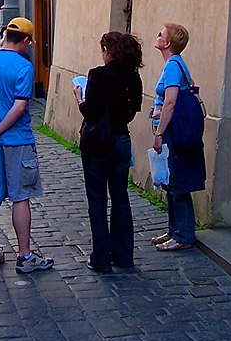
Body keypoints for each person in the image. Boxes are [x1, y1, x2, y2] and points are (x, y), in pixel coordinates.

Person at [0, 17, 54, 274]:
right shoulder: (24, 66)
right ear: (26, 41)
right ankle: (25, 255)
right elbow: (20, 105)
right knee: (20, 196)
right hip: (16, 142)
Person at [73, 31, 143, 272]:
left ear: (108, 51)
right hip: (122, 138)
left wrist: (79, 98)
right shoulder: (133, 77)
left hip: (98, 142)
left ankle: (101, 258)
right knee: (120, 197)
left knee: (98, 199)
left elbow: (90, 112)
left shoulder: (99, 75)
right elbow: (133, 109)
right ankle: (124, 255)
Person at [149, 22, 205, 251]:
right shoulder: (175, 64)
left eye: (160, 33)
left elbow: (171, 101)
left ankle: (183, 235)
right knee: (171, 181)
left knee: (177, 182)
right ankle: (174, 230)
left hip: (173, 131)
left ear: (168, 42)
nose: (157, 35)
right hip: (172, 129)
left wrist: (159, 132)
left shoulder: (173, 66)